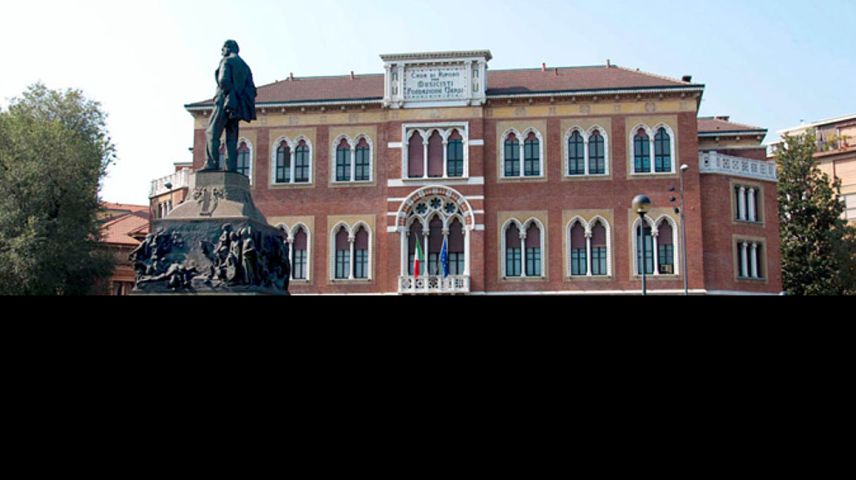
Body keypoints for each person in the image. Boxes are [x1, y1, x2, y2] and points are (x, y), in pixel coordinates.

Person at [204, 40, 257, 172]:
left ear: (228, 48)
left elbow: (223, 80)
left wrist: (230, 95)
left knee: (212, 132)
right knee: (232, 137)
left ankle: (212, 163)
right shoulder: (245, 67)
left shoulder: (227, 61)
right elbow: (252, 90)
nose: (221, 52)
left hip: (223, 101)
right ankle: (231, 166)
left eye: (222, 49)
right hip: (237, 106)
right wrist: (240, 98)